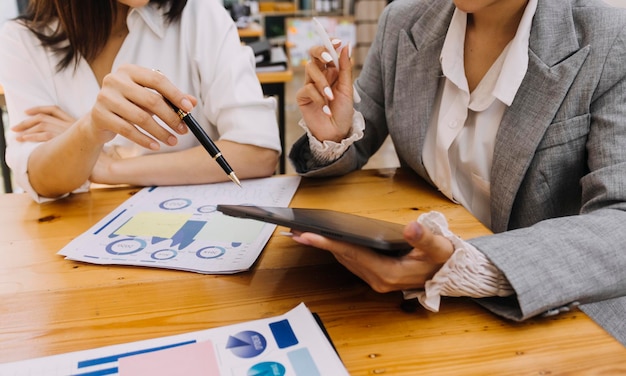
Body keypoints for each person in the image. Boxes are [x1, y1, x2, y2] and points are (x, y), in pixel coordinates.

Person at [289, 0, 626, 345]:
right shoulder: (403, 21)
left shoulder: (610, 33)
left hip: (558, 314)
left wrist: (465, 266)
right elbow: (362, 136)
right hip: (418, 314)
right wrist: (333, 135)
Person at [0, 0, 281, 202]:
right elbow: (40, 178)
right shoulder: (22, 40)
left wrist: (107, 167)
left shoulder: (200, 14)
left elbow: (258, 151)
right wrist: (89, 129)